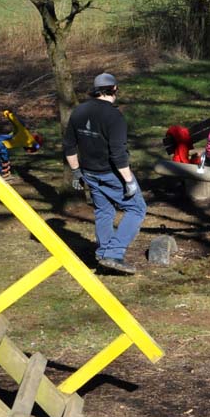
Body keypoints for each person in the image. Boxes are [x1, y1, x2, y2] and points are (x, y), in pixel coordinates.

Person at [63, 73, 147, 274]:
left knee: (104, 211)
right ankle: (114, 253)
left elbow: (68, 146)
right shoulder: (114, 116)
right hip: (111, 173)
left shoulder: (78, 111)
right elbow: (118, 153)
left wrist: (76, 172)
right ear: (115, 89)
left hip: (89, 173)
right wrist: (129, 181)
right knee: (137, 209)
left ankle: (103, 253)